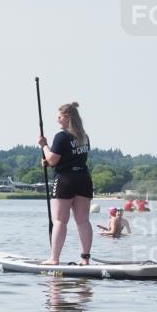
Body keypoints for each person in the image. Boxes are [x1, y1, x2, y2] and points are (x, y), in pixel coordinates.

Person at [38, 102, 92, 265]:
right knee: (83, 220)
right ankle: (85, 259)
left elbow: (53, 160)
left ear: (67, 118)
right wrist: (48, 161)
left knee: (60, 220)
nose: (57, 120)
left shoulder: (61, 136)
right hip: (83, 178)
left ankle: (54, 258)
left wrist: (44, 145)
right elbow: (71, 156)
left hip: (65, 180)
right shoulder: (84, 136)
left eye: (59, 117)